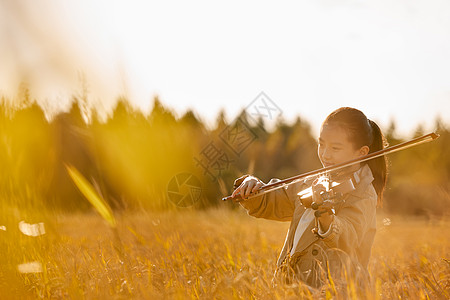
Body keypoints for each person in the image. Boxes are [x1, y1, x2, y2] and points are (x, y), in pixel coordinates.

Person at [231, 107, 388, 291]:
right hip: (294, 286)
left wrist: (327, 219)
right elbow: (275, 200)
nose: (325, 154)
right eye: (321, 144)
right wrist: (254, 187)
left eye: (335, 148)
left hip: (334, 292)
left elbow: (349, 236)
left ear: (361, 153)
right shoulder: (313, 182)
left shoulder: (363, 193)